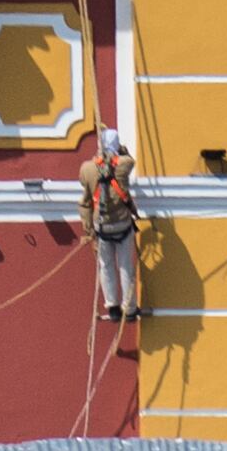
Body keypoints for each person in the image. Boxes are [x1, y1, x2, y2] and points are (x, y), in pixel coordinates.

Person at [81, 129, 139, 320]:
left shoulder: (87, 168)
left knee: (106, 265)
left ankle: (112, 305)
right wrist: (120, 150)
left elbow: (86, 201)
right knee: (125, 266)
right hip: (122, 224)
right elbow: (129, 158)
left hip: (102, 227)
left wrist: (89, 231)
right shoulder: (124, 165)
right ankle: (129, 308)